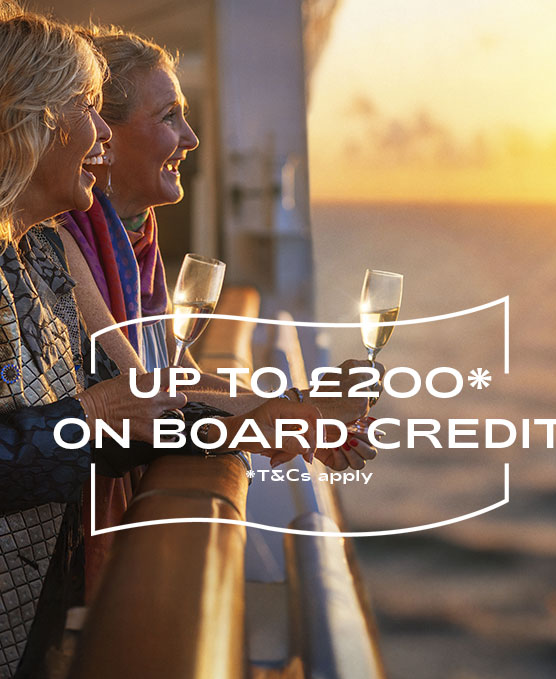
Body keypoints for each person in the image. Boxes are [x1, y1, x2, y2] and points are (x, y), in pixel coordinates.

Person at [0, 8, 319, 679]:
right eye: (88, 108)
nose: (101, 138)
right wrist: (95, 414)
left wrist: (258, 420)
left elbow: (128, 408)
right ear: (33, 122)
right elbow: (107, 408)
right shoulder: (50, 249)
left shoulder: (32, 257)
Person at [58, 24, 380, 591]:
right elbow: (148, 394)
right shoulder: (60, 239)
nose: (191, 138)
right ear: (102, 136)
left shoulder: (135, 238)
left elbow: (174, 376)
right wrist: (297, 414)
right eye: (168, 118)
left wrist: (300, 406)